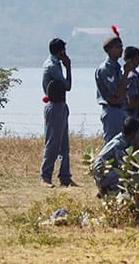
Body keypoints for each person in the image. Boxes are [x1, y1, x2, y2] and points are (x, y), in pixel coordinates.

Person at [41, 37, 77, 188]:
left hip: (61, 105)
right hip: (54, 106)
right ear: (60, 51)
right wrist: (68, 67)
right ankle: (46, 177)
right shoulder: (53, 66)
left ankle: (65, 177)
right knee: (53, 143)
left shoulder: (54, 64)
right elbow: (67, 86)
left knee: (64, 144)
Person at [95, 27, 136, 144]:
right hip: (111, 110)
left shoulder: (117, 67)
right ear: (109, 49)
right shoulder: (106, 69)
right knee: (112, 144)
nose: (121, 50)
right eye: (118, 47)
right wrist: (126, 73)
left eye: (121, 47)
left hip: (120, 109)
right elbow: (116, 93)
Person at [91, 116, 139, 197]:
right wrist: (136, 149)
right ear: (134, 133)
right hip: (101, 174)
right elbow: (125, 166)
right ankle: (107, 190)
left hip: (110, 172)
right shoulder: (119, 144)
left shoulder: (126, 140)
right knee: (127, 174)